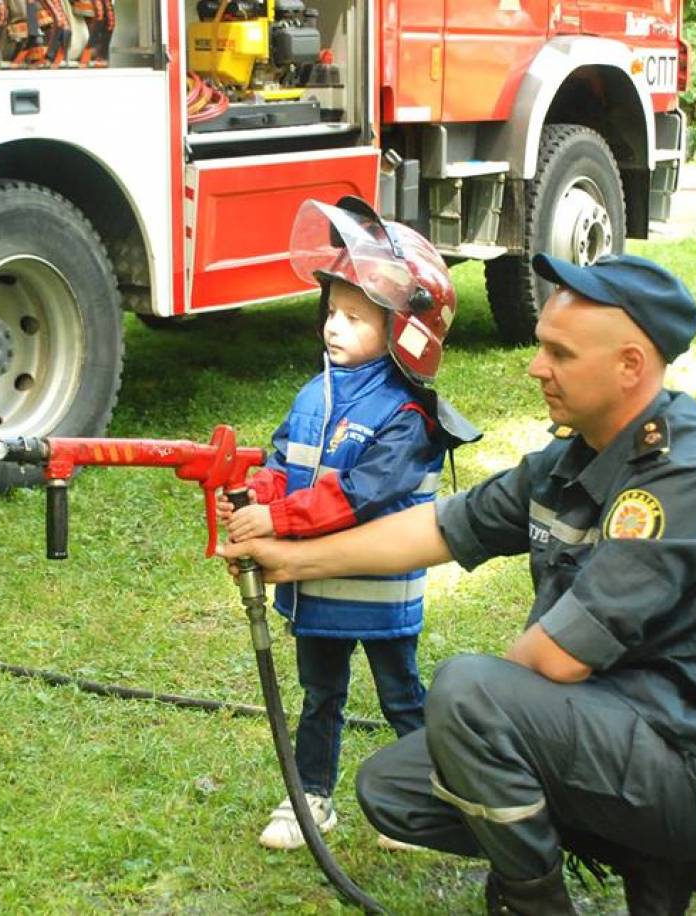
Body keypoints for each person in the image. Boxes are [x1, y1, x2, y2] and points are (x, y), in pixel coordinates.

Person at [219, 254, 696, 915]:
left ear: (630, 368)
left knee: (471, 699)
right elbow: (442, 527)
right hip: (624, 726)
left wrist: (484, 728)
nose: (536, 368)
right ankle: (632, 851)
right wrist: (290, 558)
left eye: (560, 353)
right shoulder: (576, 454)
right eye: (541, 348)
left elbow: (554, 660)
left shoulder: (682, 479)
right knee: (394, 787)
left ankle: (546, 900)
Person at [220, 196, 477, 851]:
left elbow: (356, 496)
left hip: (379, 596)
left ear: (402, 332)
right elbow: (283, 458)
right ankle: (311, 796)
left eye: (355, 318)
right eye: (332, 312)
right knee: (320, 696)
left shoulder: (410, 416)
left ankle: (430, 801)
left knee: (401, 696)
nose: (335, 328)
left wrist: (272, 520)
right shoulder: (317, 392)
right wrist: (253, 496)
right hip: (316, 597)